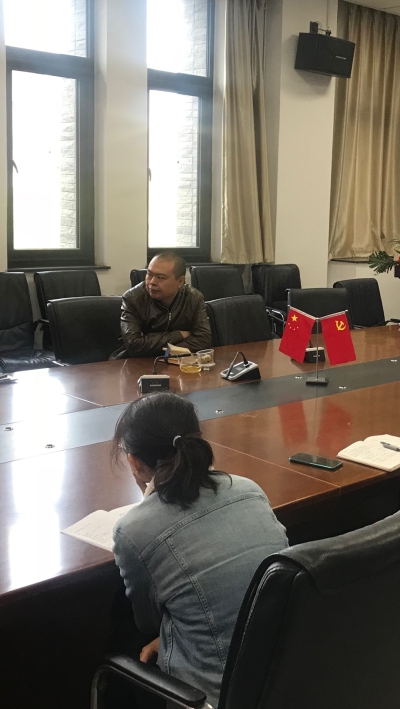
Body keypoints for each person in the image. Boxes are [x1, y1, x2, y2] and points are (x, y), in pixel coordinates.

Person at [110, 393, 288, 707]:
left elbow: (148, 623)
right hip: (284, 681)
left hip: (212, 699)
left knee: (121, 633)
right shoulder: (249, 489)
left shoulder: (133, 530)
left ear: (134, 463)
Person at [111, 252, 212, 359]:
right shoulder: (133, 298)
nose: (152, 282)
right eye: (149, 274)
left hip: (172, 362)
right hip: (132, 362)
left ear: (180, 281)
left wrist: (167, 352)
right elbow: (134, 345)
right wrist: (179, 335)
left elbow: (204, 340)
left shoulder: (193, 298)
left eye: (160, 277)